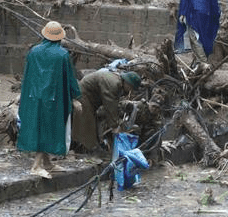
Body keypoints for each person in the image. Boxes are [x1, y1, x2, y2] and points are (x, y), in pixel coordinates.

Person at [17, 21, 81, 178]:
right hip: (53, 99)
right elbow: (69, 78)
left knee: (37, 128)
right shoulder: (62, 55)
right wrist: (76, 96)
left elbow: (27, 76)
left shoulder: (34, 52)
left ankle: (47, 163)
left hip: (33, 96)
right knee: (47, 130)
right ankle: (36, 166)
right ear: (60, 38)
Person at [71, 70, 142, 153]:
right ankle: (88, 149)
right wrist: (115, 125)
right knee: (87, 123)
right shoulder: (113, 84)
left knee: (92, 122)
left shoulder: (118, 82)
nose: (131, 91)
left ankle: (89, 146)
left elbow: (113, 104)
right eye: (131, 88)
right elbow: (110, 106)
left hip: (91, 98)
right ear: (127, 83)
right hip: (83, 95)